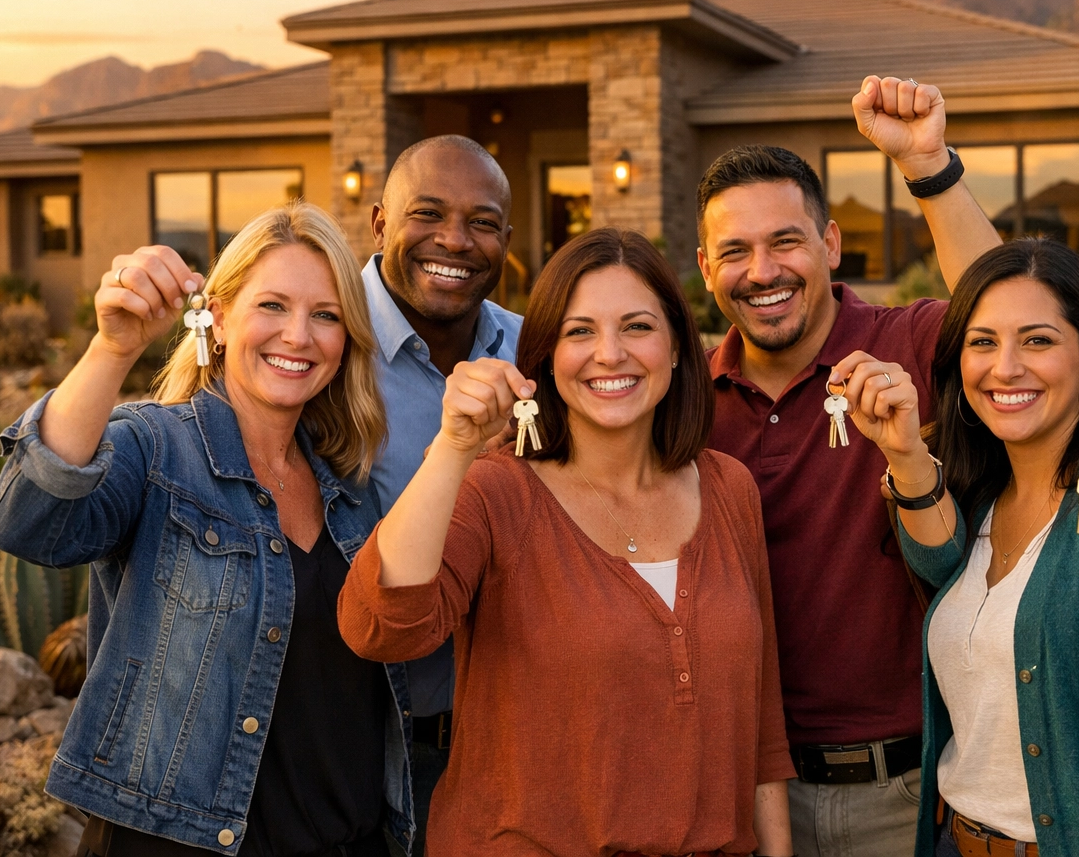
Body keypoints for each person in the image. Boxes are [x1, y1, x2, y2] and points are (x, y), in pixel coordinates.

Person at [339, 227, 795, 855]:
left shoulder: (729, 489)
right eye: (580, 332)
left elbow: (761, 726)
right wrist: (453, 448)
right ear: (547, 357)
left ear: (679, 348)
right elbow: (383, 626)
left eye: (637, 327)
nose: (610, 353)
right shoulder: (498, 492)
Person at [0, 203, 412, 856]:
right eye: (272, 305)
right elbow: (28, 523)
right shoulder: (155, 450)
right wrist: (115, 345)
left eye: (325, 315)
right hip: (177, 843)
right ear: (216, 314)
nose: (299, 335)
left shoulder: (351, 492)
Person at [832, 237, 1079, 855]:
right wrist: (904, 453)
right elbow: (939, 563)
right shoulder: (980, 490)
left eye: (1038, 340)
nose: (1005, 368)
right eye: (983, 342)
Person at [696, 77, 1000, 856]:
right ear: (705, 268)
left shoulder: (910, 345)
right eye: (736, 251)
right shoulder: (684, 399)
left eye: (785, 242)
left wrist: (928, 164)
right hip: (740, 792)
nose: (763, 271)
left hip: (902, 793)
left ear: (829, 244)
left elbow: (1009, 311)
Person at [361, 133, 524, 853]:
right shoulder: (318, 347)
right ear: (379, 223)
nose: (454, 241)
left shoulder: (540, 350)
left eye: (482, 223)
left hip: (508, 745)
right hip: (351, 745)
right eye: (427, 214)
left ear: (507, 239)